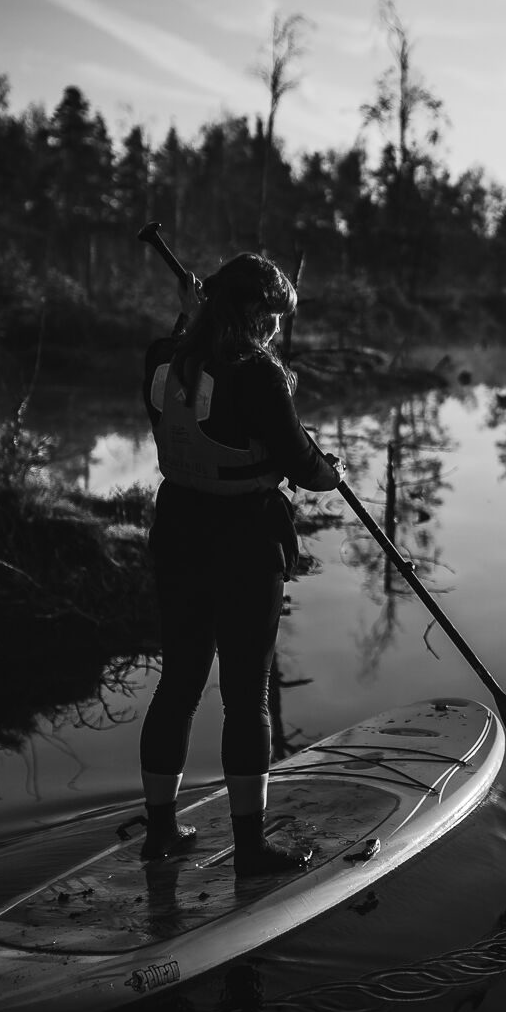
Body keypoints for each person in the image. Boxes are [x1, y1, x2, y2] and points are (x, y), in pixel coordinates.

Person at [137, 252, 344, 873]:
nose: (275, 331)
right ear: (254, 312)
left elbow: (190, 354)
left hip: (177, 533)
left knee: (177, 687)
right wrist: (327, 471)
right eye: (273, 317)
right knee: (246, 695)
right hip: (245, 543)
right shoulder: (259, 374)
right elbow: (304, 465)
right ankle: (251, 849)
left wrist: (194, 314)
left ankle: (161, 833)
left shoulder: (160, 357)